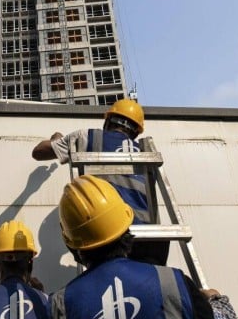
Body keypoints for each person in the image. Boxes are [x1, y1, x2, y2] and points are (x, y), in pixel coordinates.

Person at [46, 175, 238, 319]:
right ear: (126, 225)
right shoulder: (173, 284)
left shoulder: (60, 304)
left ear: (72, 245)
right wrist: (214, 299)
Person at [32, 98, 167, 264]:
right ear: (136, 132)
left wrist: (57, 141)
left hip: (106, 237)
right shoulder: (145, 152)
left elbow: (38, 152)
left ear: (108, 121)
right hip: (147, 240)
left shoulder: (87, 137)